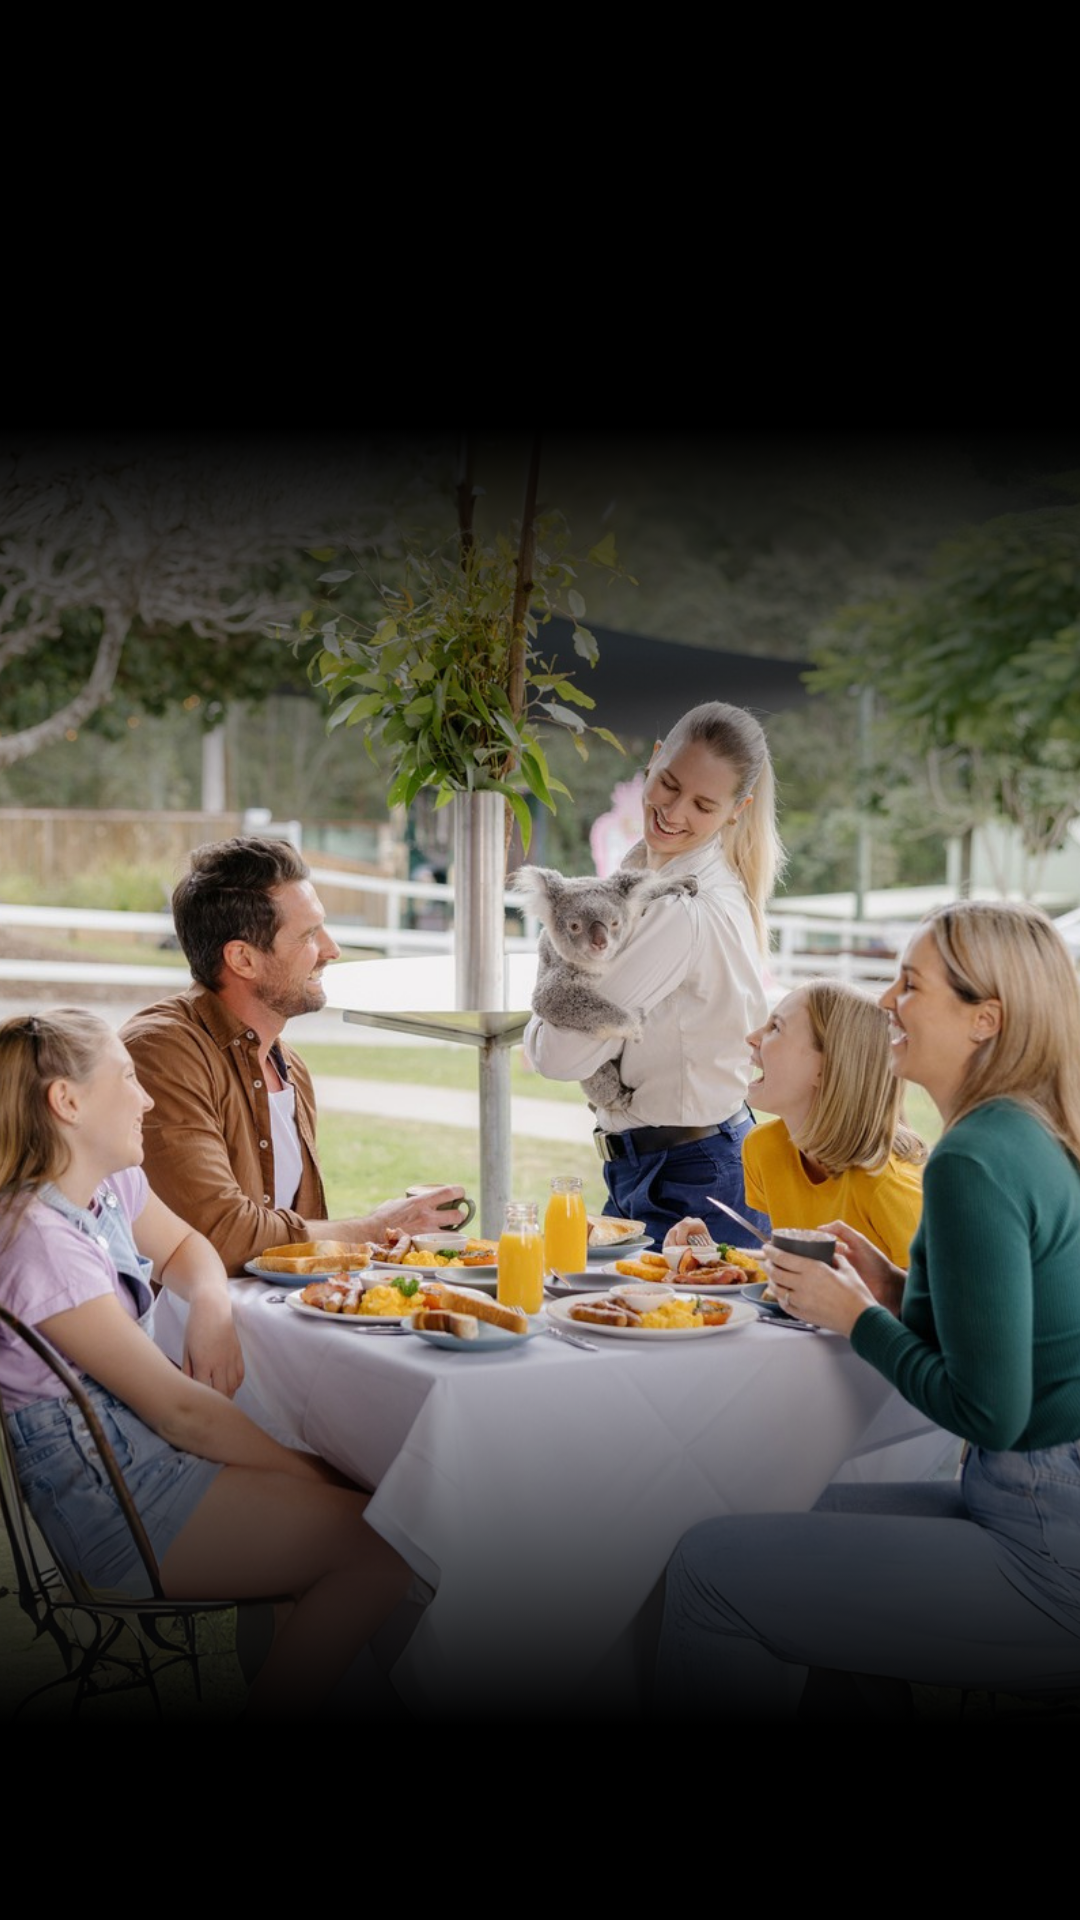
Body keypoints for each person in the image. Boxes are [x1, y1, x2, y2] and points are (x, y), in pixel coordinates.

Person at [655, 902, 1080, 1719]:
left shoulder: (975, 1159)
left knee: (707, 1567)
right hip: (1036, 1503)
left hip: (1043, 1543)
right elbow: (1016, 1338)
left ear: (984, 1019)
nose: (887, 1002)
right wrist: (891, 1290)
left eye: (910, 985)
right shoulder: (1033, 1132)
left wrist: (856, 1316)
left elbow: (990, 1411)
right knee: (796, 1505)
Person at [0, 1011, 413, 1720]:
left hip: (145, 1468)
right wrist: (303, 1469)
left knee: (366, 1515)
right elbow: (182, 1412)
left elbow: (188, 1247)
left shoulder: (102, 1188)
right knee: (384, 1545)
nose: (147, 1099)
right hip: (118, 1506)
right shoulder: (40, 1245)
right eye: (127, 1079)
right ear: (67, 1104)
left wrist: (214, 1310)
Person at [121, 836, 467, 1274]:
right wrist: (375, 1227)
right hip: (176, 1336)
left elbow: (303, 1236)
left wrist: (391, 1236)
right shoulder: (162, 1053)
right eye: (308, 935)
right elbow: (223, 1235)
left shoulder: (290, 1068)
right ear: (243, 959)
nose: (331, 949)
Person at [524, 703, 783, 1246]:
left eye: (703, 804)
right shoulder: (644, 877)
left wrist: (541, 1010)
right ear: (653, 759)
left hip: (687, 1177)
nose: (673, 811)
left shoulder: (679, 909)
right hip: (660, 1164)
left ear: (738, 810)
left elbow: (556, 1056)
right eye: (668, 784)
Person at [665, 979, 927, 1269]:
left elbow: (932, 1307)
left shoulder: (891, 1188)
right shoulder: (764, 1148)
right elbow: (800, 1266)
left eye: (776, 1028)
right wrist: (714, 1255)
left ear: (826, 1068)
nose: (752, 1037)